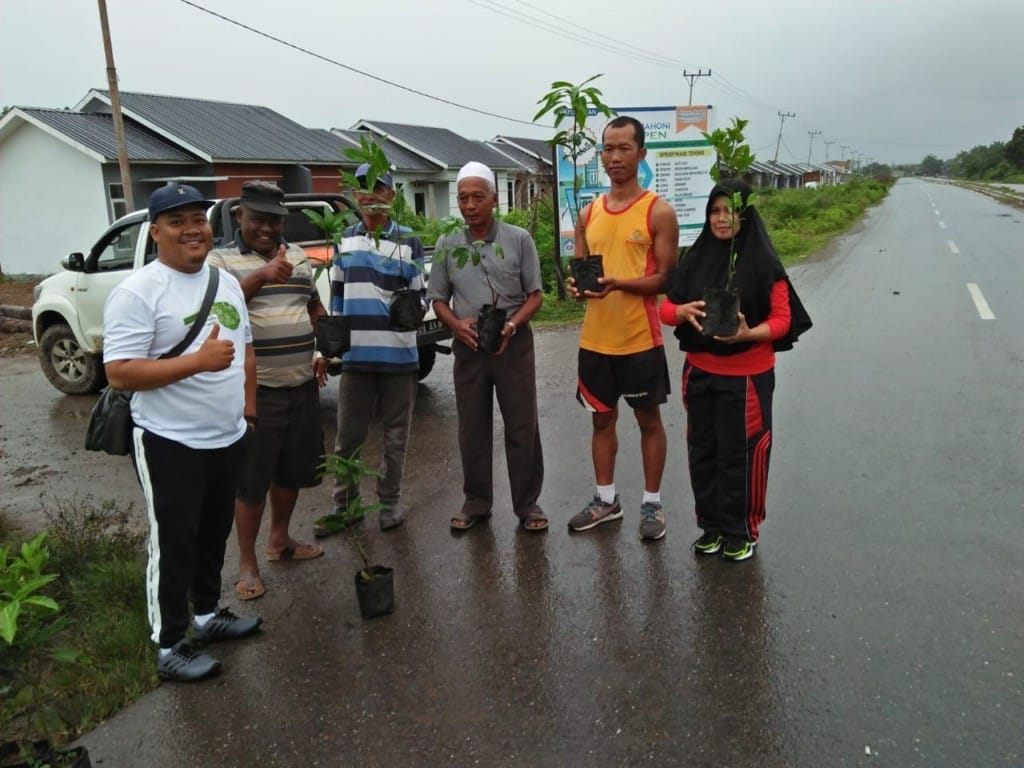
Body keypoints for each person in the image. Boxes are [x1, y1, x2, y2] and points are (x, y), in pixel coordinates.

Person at [103, 183, 261, 683]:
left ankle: (206, 615)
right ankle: (169, 643)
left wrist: (248, 415)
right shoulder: (137, 292)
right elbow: (120, 372)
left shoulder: (226, 282)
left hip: (227, 434)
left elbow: (246, 350)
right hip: (169, 439)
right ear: (155, 233)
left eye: (199, 218)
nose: (193, 229)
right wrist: (196, 362)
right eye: (177, 221)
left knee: (214, 532)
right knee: (174, 542)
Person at [659, 177, 811, 561]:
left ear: (745, 214)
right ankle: (710, 526)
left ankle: (742, 529)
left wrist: (747, 334)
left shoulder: (763, 261)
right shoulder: (696, 257)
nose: (721, 219)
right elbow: (665, 308)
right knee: (703, 450)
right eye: (715, 211)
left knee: (742, 453)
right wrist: (680, 312)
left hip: (746, 376)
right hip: (700, 373)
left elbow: (781, 319)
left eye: (730, 211)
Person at [207, 180, 327, 602]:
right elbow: (217, 312)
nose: (267, 228)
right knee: (251, 481)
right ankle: (246, 564)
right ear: (239, 215)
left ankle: (279, 542)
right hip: (255, 392)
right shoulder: (219, 261)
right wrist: (260, 276)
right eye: (258, 219)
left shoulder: (296, 256)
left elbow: (311, 305)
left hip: (301, 384)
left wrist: (323, 344)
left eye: (274, 220)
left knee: (292, 472)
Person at [567, 115, 680, 541]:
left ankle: (652, 503)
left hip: (638, 339)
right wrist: (577, 288)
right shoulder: (588, 212)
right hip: (595, 341)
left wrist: (620, 284)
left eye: (623, 149)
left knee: (648, 421)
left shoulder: (658, 212)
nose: (614, 158)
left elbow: (666, 280)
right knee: (601, 421)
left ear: (641, 153)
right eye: (607, 150)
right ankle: (606, 499)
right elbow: (578, 273)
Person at [428, 161, 547, 532]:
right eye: (462, 198)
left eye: (478, 197)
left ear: (495, 199)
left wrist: (512, 323)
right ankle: (476, 502)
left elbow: (535, 295)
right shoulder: (448, 244)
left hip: (512, 345)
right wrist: (454, 326)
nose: (469, 205)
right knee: (472, 427)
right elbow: (438, 299)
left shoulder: (517, 240)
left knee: (521, 423)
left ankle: (528, 504)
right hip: (468, 348)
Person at [312, 163, 425, 536]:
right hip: (357, 359)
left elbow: (420, 297)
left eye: (378, 188)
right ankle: (346, 506)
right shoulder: (345, 239)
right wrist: (330, 349)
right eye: (362, 188)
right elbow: (339, 298)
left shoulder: (407, 241)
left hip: (399, 357)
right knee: (348, 437)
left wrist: (413, 307)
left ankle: (389, 503)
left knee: (396, 437)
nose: (369, 195)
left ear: (392, 196)